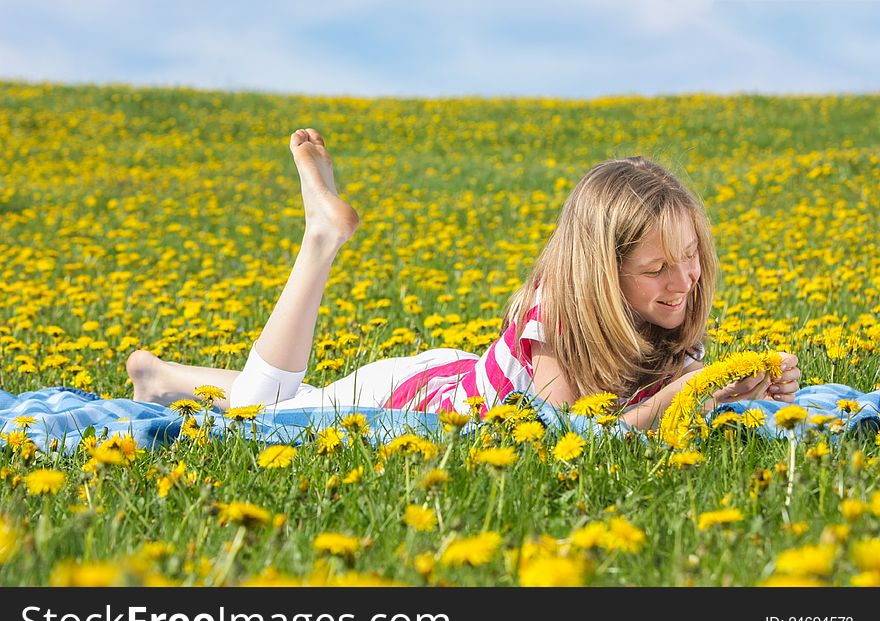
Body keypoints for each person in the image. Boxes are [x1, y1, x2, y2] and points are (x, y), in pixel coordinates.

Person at [126, 129, 802, 430]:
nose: (684, 280)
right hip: (409, 399)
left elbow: (660, 395)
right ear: (601, 273)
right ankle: (320, 240)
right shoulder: (558, 326)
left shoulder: (661, 313)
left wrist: (737, 386)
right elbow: (575, 439)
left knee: (295, 397)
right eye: (656, 268)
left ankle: (163, 379)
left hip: (456, 374)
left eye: (691, 257)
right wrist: (689, 393)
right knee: (259, 417)